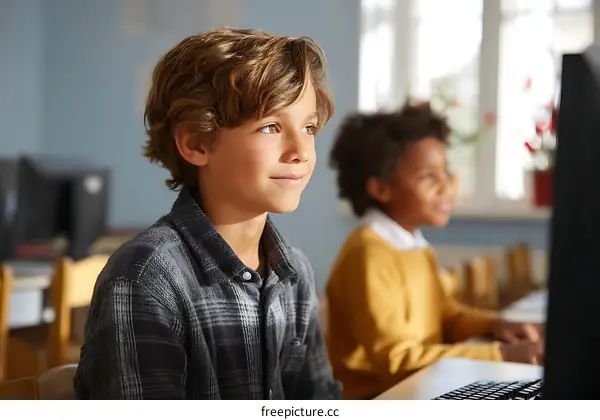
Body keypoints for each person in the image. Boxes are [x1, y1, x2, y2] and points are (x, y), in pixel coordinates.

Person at [74, 28, 341, 400]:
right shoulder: (145, 279)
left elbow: (317, 403)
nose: (301, 150)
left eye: (308, 127)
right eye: (271, 127)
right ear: (197, 143)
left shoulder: (294, 271)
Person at [325, 103, 543, 400]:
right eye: (429, 177)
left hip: (421, 388)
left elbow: (445, 316)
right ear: (381, 189)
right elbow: (395, 361)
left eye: (446, 171)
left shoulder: (412, 244)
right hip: (379, 399)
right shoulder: (369, 254)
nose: (448, 185)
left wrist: (496, 324)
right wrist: (499, 354)